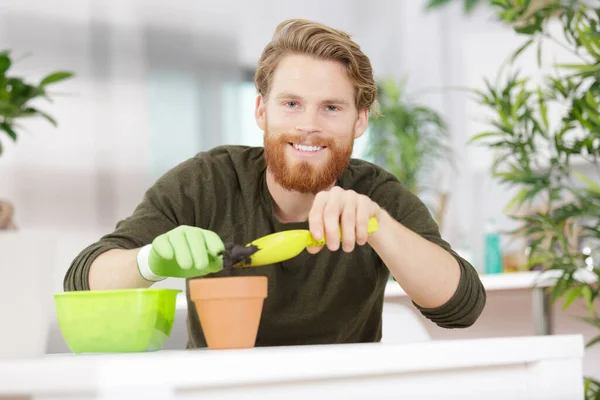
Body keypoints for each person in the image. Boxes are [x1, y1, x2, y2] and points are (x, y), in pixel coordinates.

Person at [65, 19, 486, 348]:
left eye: (331, 108)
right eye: (291, 104)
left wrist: (380, 228)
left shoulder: (377, 196)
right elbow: (82, 281)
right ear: (262, 111)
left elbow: (462, 307)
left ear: (359, 121)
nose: (308, 126)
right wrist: (150, 261)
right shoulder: (205, 182)